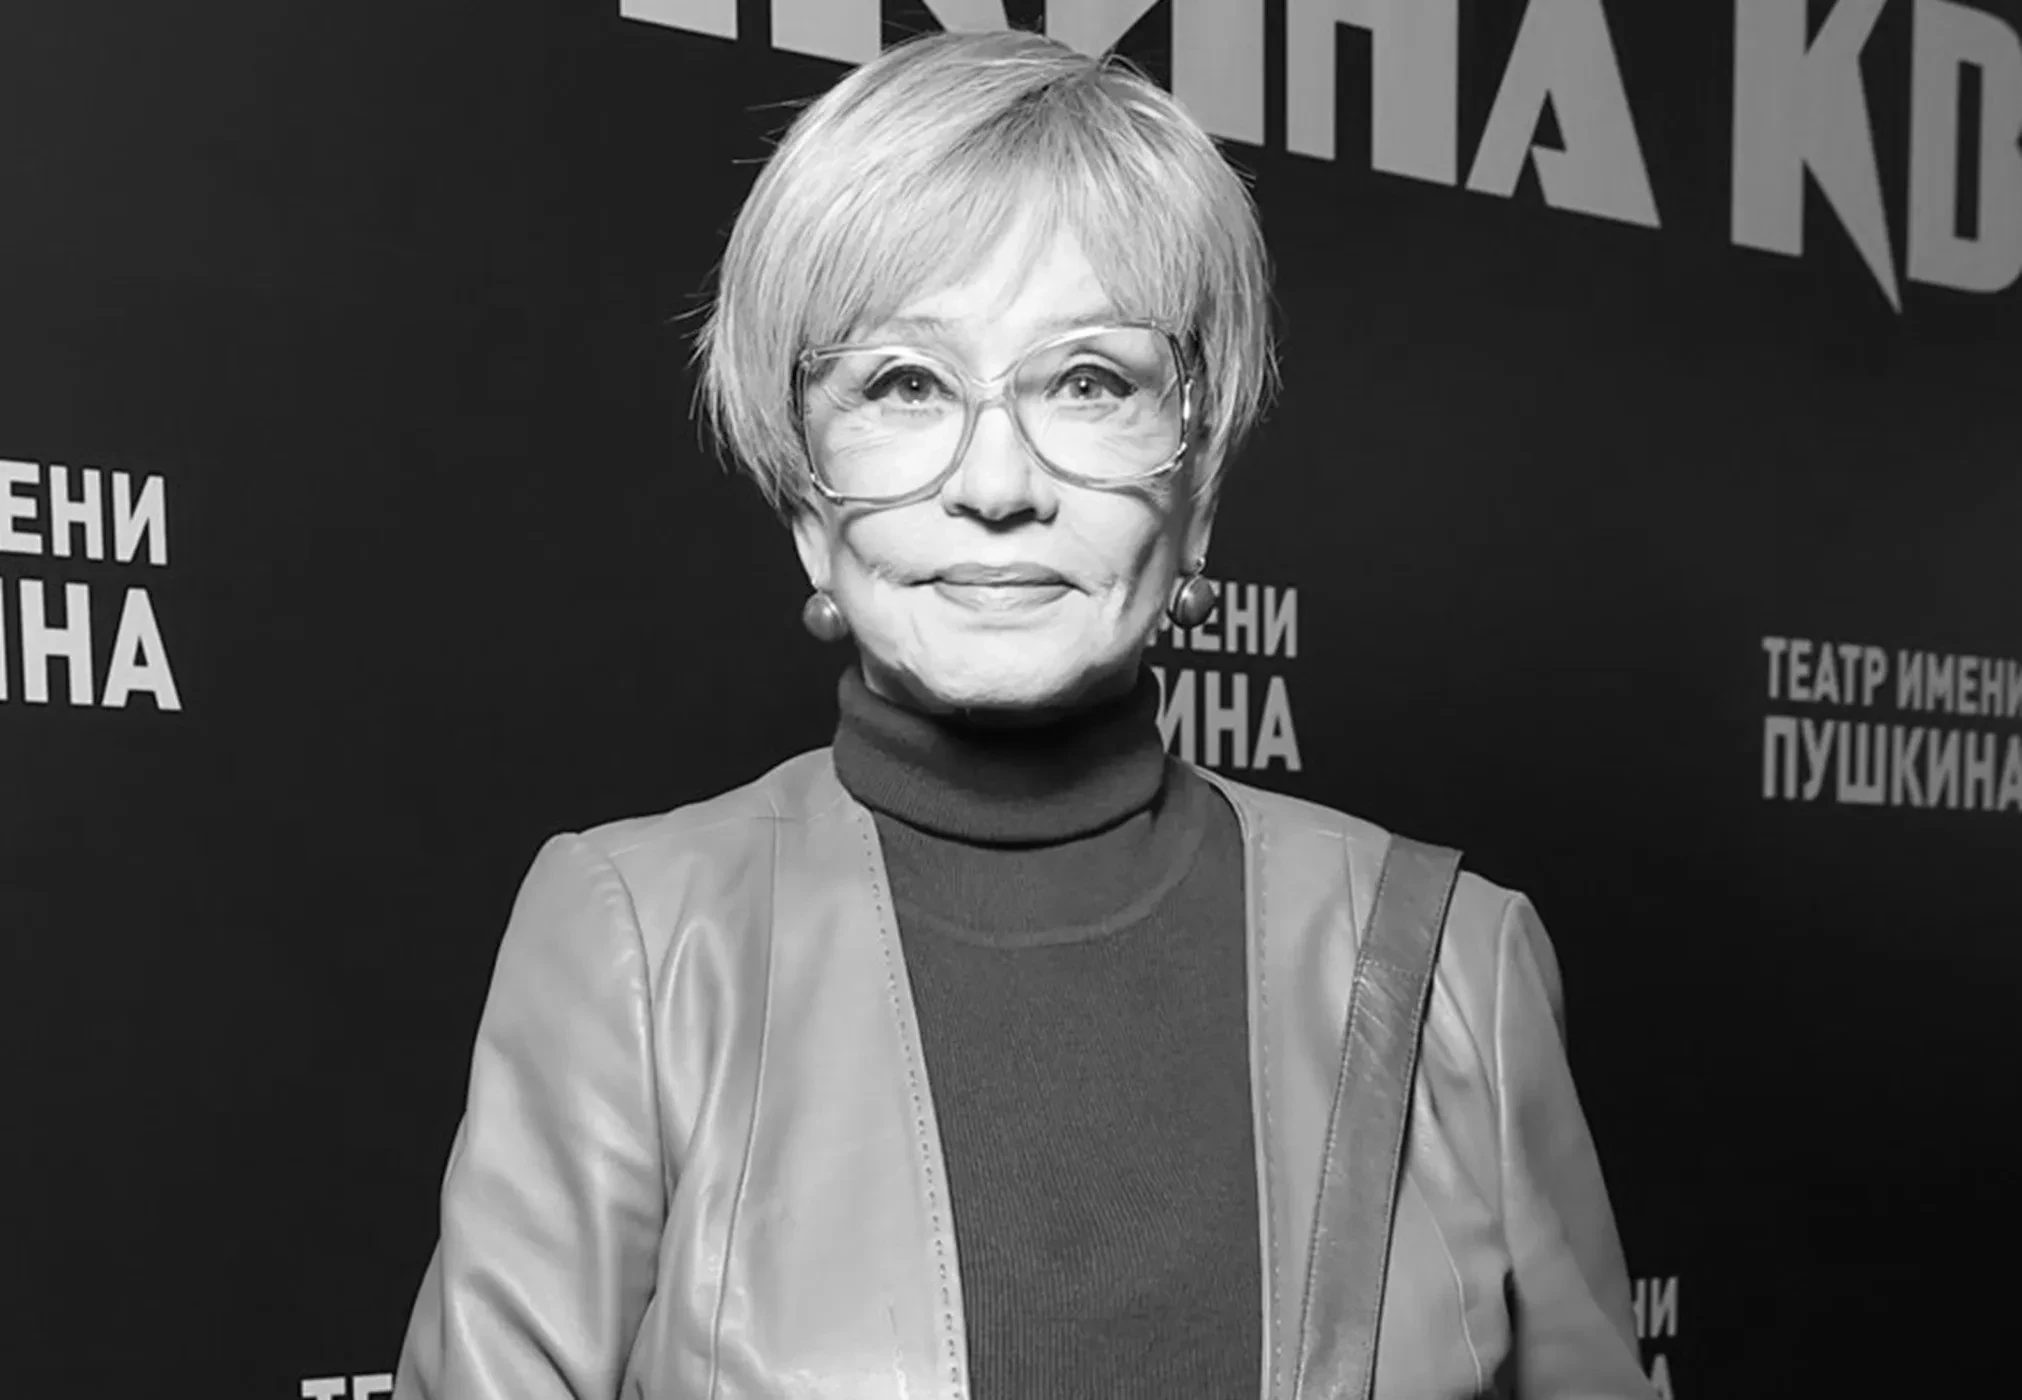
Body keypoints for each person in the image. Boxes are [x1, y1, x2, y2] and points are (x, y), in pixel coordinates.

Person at [393, 28, 1654, 1400]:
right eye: (904, 384)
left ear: (1198, 491)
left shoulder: (1448, 964)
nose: (997, 485)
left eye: (1089, 382)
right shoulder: (632, 945)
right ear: (806, 502)